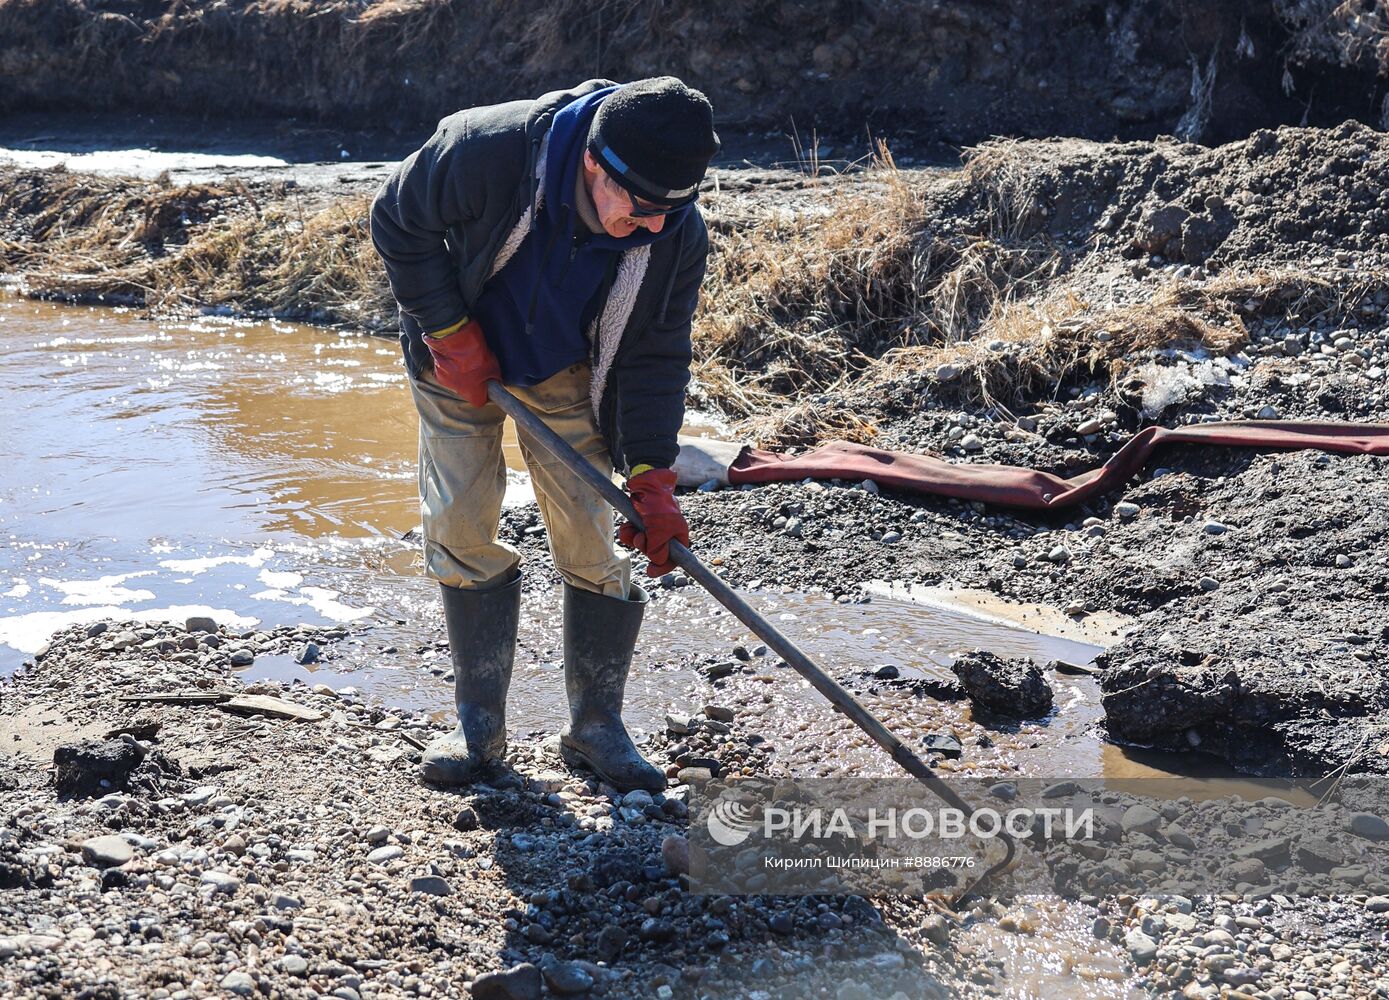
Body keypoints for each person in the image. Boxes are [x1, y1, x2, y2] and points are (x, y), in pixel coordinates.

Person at [370, 77, 718, 793]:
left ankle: (595, 728)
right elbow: (397, 220)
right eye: (642, 208)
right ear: (595, 165)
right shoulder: (483, 148)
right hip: (454, 354)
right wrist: (447, 329)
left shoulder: (672, 232)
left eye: (671, 211)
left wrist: (652, 471)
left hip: (564, 366)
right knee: (459, 522)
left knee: (595, 537)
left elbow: (656, 352)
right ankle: (478, 727)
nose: (654, 226)